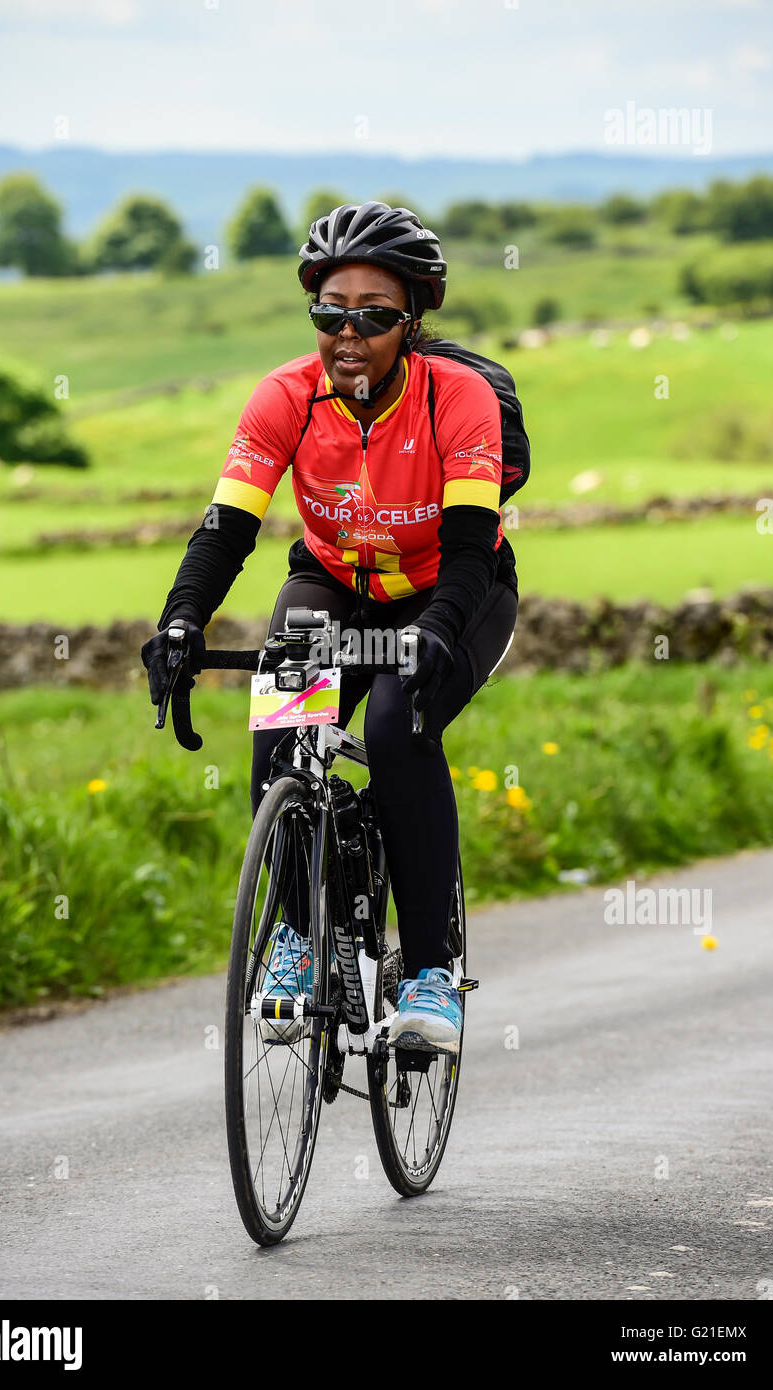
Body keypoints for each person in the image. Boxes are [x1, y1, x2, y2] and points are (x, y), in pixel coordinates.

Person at [143, 202, 525, 1053]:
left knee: (396, 727)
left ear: (412, 321)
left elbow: (468, 549)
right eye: (329, 313)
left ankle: (431, 971)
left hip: (451, 591)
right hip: (334, 581)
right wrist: (180, 621)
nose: (347, 333)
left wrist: (434, 632)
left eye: (374, 316)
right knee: (281, 728)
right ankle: (295, 938)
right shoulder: (286, 395)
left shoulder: (455, 397)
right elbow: (227, 527)